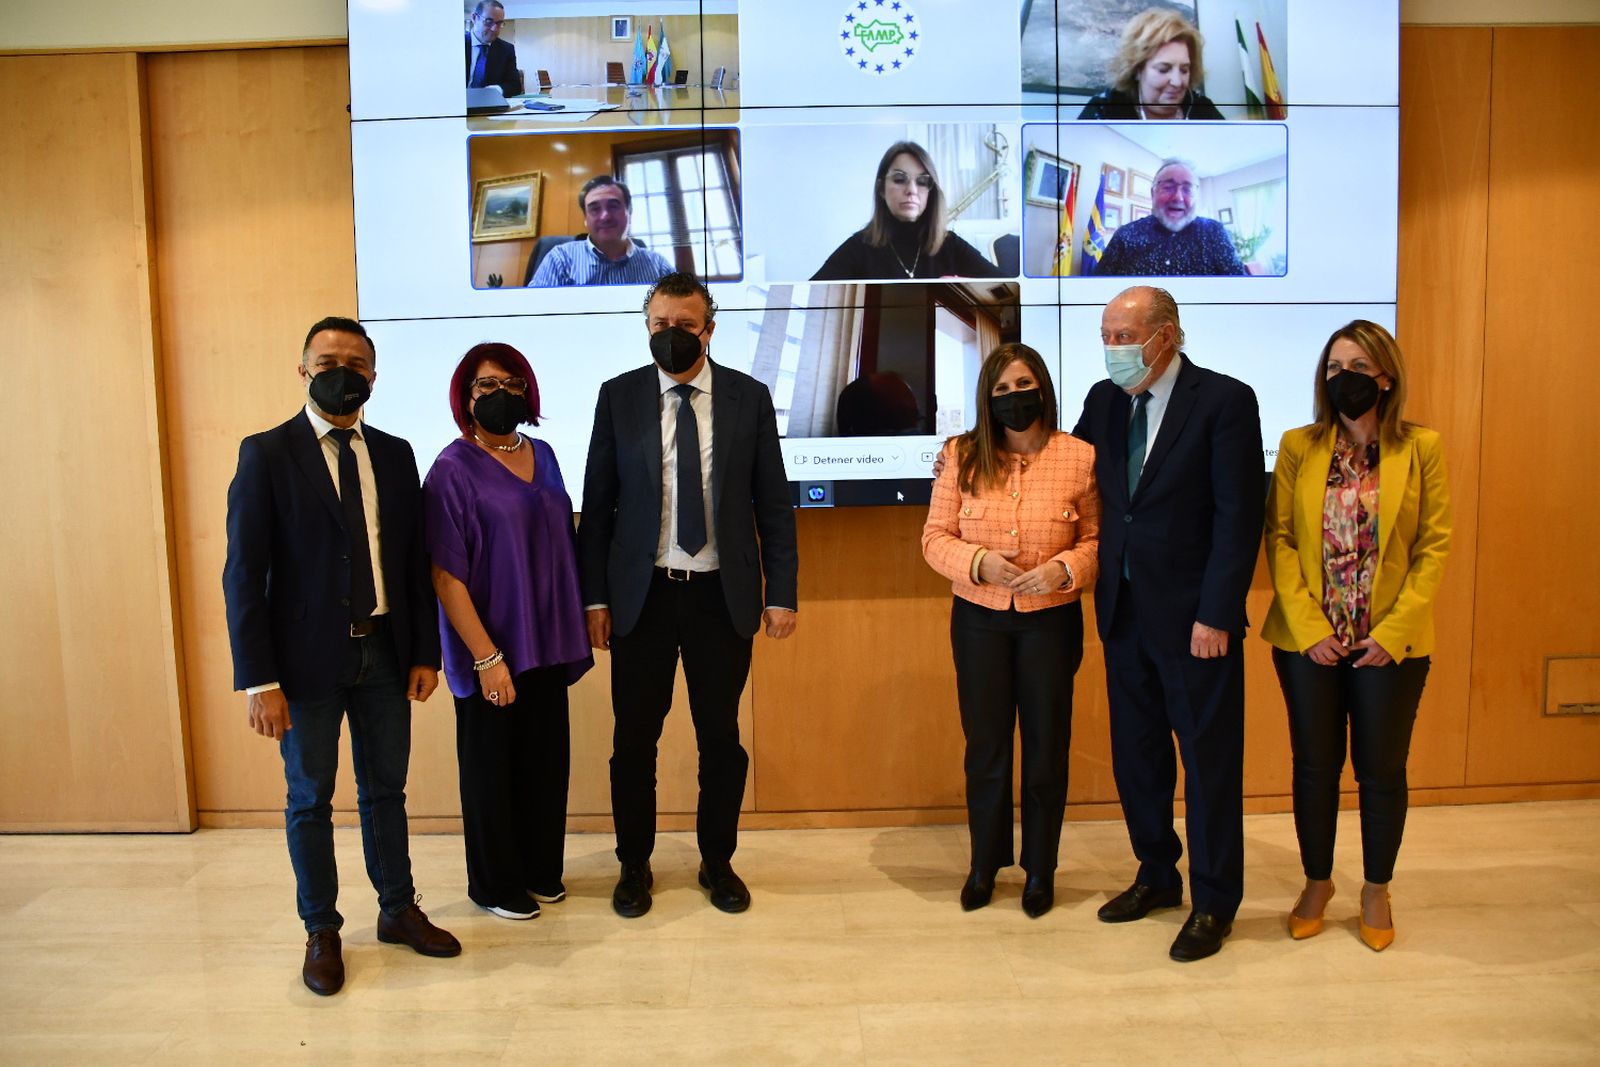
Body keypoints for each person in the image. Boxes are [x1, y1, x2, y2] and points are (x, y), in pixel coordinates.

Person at [223, 316, 460, 997]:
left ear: (373, 378)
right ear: (303, 370)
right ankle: (321, 928)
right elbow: (243, 574)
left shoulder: (394, 452)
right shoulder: (267, 454)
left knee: (386, 789)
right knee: (310, 797)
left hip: (385, 652)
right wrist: (258, 679)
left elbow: (412, 564)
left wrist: (424, 652)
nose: (342, 371)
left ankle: (397, 907)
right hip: (302, 666)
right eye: (328, 359)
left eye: (356, 363)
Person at [578, 272, 799, 918]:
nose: (672, 336)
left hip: (719, 598)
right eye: (660, 326)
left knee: (721, 740)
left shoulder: (747, 397)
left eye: (685, 325)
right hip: (641, 597)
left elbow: (775, 504)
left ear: (709, 326)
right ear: (647, 327)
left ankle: (717, 860)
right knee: (634, 741)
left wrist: (780, 590)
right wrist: (595, 597)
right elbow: (598, 508)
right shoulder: (618, 397)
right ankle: (633, 864)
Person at [1071, 287, 1263, 962]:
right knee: (1139, 758)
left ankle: (1215, 901)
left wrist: (1217, 611)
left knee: (1209, 765)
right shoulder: (1102, 400)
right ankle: (1157, 873)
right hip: (1123, 615)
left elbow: (1239, 519)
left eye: (1126, 335)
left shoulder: (1224, 401)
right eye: (1108, 335)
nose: (1115, 348)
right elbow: (1063, 470)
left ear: (1168, 335)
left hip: (1194, 624)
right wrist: (969, 456)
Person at [1262, 321, 1451, 952]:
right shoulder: (1298, 446)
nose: (1344, 378)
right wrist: (1309, 626)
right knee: (1315, 767)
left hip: (1388, 648)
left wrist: (1394, 633)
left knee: (1381, 770)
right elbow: (1281, 539)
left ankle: (1375, 886)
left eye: (1358, 367)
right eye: (1335, 367)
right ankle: (1318, 882)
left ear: (1385, 376)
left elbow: (1433, 547)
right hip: (1310, 641)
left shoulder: (1420, 448)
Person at [922, 343, 1101, 918]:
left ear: (1042, 388)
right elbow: (933, 538)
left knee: (1047, 748)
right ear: (986, 399)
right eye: (1000, 390)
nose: (1012, 398)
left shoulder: (1080, 457)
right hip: (978, 621)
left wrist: (1065, 569)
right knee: (987, 747)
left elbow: (1097, 540)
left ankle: (1040, 869)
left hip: (1051, 621)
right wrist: (978, 563)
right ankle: (984, 864)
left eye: (1022, 385)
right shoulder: (960, 455)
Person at [423, 343, 593, 923]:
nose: (500, 394)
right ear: (465, 398)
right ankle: (495, 884)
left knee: (546, 762)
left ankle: (541, 868)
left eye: (511, 383)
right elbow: (445, 575)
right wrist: (486, 657)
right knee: (491, 769)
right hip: (491, 646)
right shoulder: (450, 469)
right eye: (486, 385)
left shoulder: (544, 454)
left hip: (547, 642)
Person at [812, 141, 1005, 281]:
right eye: (899, 179)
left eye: (922, 181)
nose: (912, 190)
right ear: (881, 189)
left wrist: (965, 288)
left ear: (931, 191)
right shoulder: (858, 247)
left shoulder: (950, 244)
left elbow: (1010, 286)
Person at [1094, 159, 1246, 277]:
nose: (1178, 197)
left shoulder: (1215, 232)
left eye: (1187, 189)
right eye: (1168, 187)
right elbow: (1097, 290)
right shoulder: (1125, 236)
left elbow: (1240, 293)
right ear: (1153, 193)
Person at [1077, 9, 1225, 120]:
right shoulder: (1105, 108)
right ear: (1137, 70)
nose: (1177, 82)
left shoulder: (1202, 109)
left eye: (1184, 70)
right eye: (1163, 69)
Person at [530, 176, 675, 287]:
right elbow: (533, 313)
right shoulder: (560, 259)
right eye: (594, 209)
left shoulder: (659, 265)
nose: (605, 216)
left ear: (629, 212)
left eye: (613, 206)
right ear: (585, 218)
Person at [465, 1, 520, 99]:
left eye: (499, 23)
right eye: (489, 21)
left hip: (490, 106)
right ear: (474, 18)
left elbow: (515, 85)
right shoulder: (455, 45)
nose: (494, 29)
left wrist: (495, 90)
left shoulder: (506, 49)